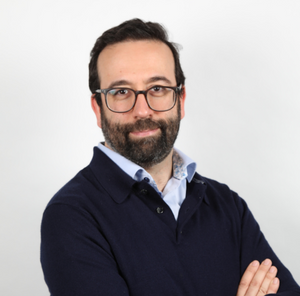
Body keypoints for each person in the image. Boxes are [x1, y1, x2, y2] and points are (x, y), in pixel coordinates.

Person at [40, 19, 300, 296]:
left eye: (158, 89)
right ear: (98, 108)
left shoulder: (227, 205)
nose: (142, 110)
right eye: (121, 92)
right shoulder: (71, 216)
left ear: (181, 99)